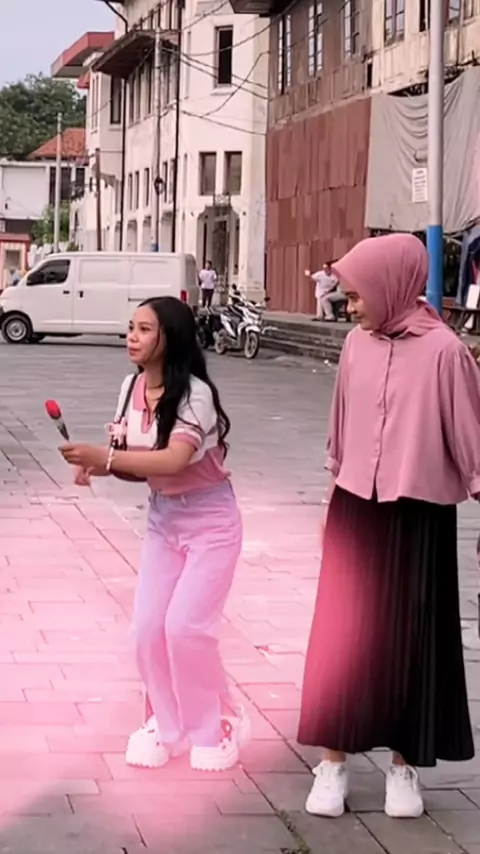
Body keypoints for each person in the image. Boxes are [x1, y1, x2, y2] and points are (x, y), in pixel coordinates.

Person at [298, 233, 480, 820]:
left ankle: (404, 766)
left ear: (389, 287)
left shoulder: (446, 353)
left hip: (419, 512)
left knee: (411, 638)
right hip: (355, 506)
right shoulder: (357, 344)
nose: (349, 306)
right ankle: (333, 762)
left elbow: (472, 441)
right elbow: (341, 428)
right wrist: (331, 502)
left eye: (356, 296)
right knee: (343, 635)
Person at [59, 296, 249, 772]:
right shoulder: (131, 387)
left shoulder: (195, 396)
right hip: (164, 520)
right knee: (146, 630)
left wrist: (104, 458)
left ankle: (215, 726)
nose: (132, 337)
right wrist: (97, 465)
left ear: (171, 338)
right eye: (131, 327)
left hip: (211, 521)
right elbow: (133, 464)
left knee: (185, 629)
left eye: (145, 329)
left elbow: (173, 460)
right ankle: (166, 725)